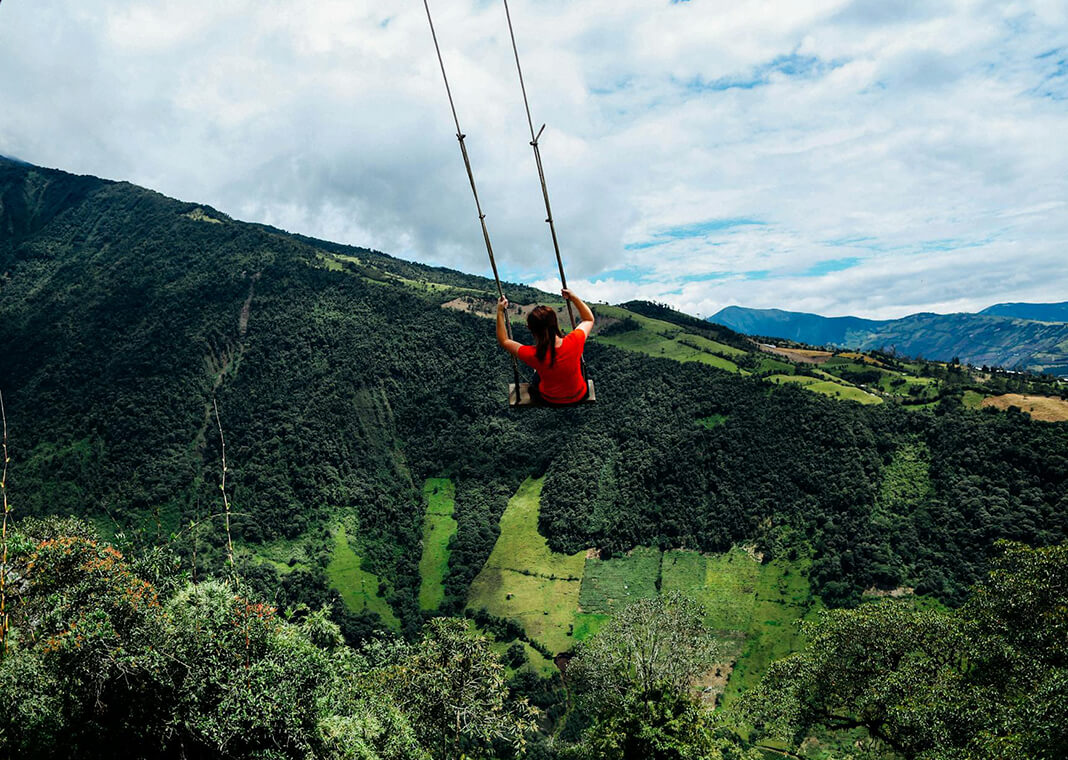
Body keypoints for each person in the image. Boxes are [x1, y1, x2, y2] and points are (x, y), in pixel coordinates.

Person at [496, 288, 595, 405]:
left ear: (531, 329)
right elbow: (589, 319)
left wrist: (500, 311)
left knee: (537, 375)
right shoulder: (575, 341)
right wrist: (573, 297)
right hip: (579, 394)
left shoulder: (533, 354)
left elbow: (504, 341)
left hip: (550, 398)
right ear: (555, 323)